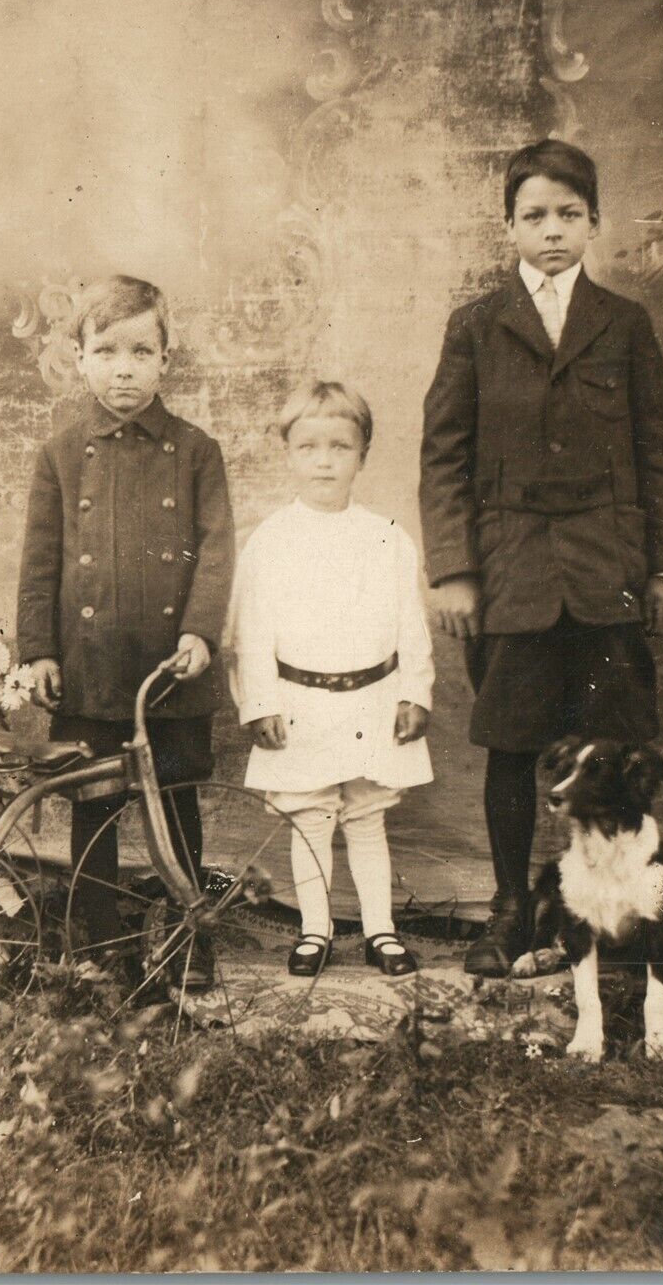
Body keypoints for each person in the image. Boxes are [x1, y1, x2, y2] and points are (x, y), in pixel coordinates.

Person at [419, 139, 663, 975]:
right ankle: (509, 914)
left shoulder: (623, 323)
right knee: (510, 746)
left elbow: (656, 451)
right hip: (513, 573)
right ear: (508, 226)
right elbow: (443, 455)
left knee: (620, 751)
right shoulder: (475, 326)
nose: (551, 231)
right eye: (533, 215)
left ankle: (633, 916)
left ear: (593, 223)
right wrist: (455, 570)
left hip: (606, 572)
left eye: (568, 214)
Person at [16, 274, 235, 986]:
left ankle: (187, 938)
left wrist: (200, 633)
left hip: (171, 666)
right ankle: (100, 945)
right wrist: (38, 651)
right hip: (90, 665)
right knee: (95, 806)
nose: (124, 369)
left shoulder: (197, 450)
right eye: (107, 351)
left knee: (175, 803)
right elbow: (40, 561)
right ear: (79, 358)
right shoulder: (59, 453)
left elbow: (216, 551)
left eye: (141, 352)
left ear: (165, 360)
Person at [228, 380, 434, 979]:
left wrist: (414, 692)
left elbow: (411, 624)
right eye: (309, 447)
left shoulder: (388, 536)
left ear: (362, 455)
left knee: (367, 818)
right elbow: (250, 631)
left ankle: (380, 931)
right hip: (301, 702)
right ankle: (314, 929)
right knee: (312, 818)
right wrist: (259, 702)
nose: (324, 461)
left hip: (371, 699)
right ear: (288, 454)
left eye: (340, 447)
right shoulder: (270, 540)